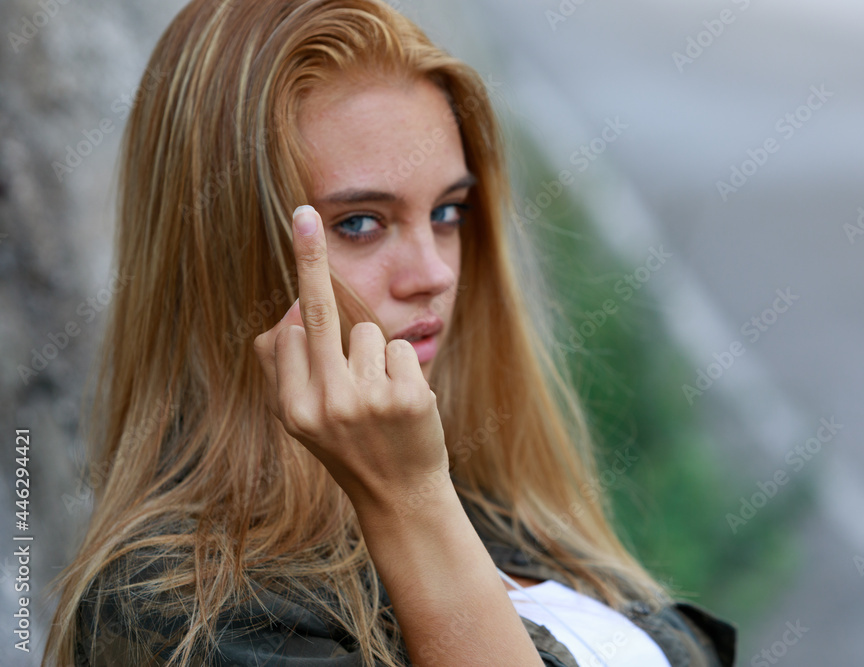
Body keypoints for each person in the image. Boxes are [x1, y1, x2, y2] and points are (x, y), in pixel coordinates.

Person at [44, 1, 736, 665]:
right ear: (222, 252)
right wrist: (409, 502)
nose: (433, 272)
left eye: (448, 212)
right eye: (359, 223)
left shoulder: (496, 511)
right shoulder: (175, 611)